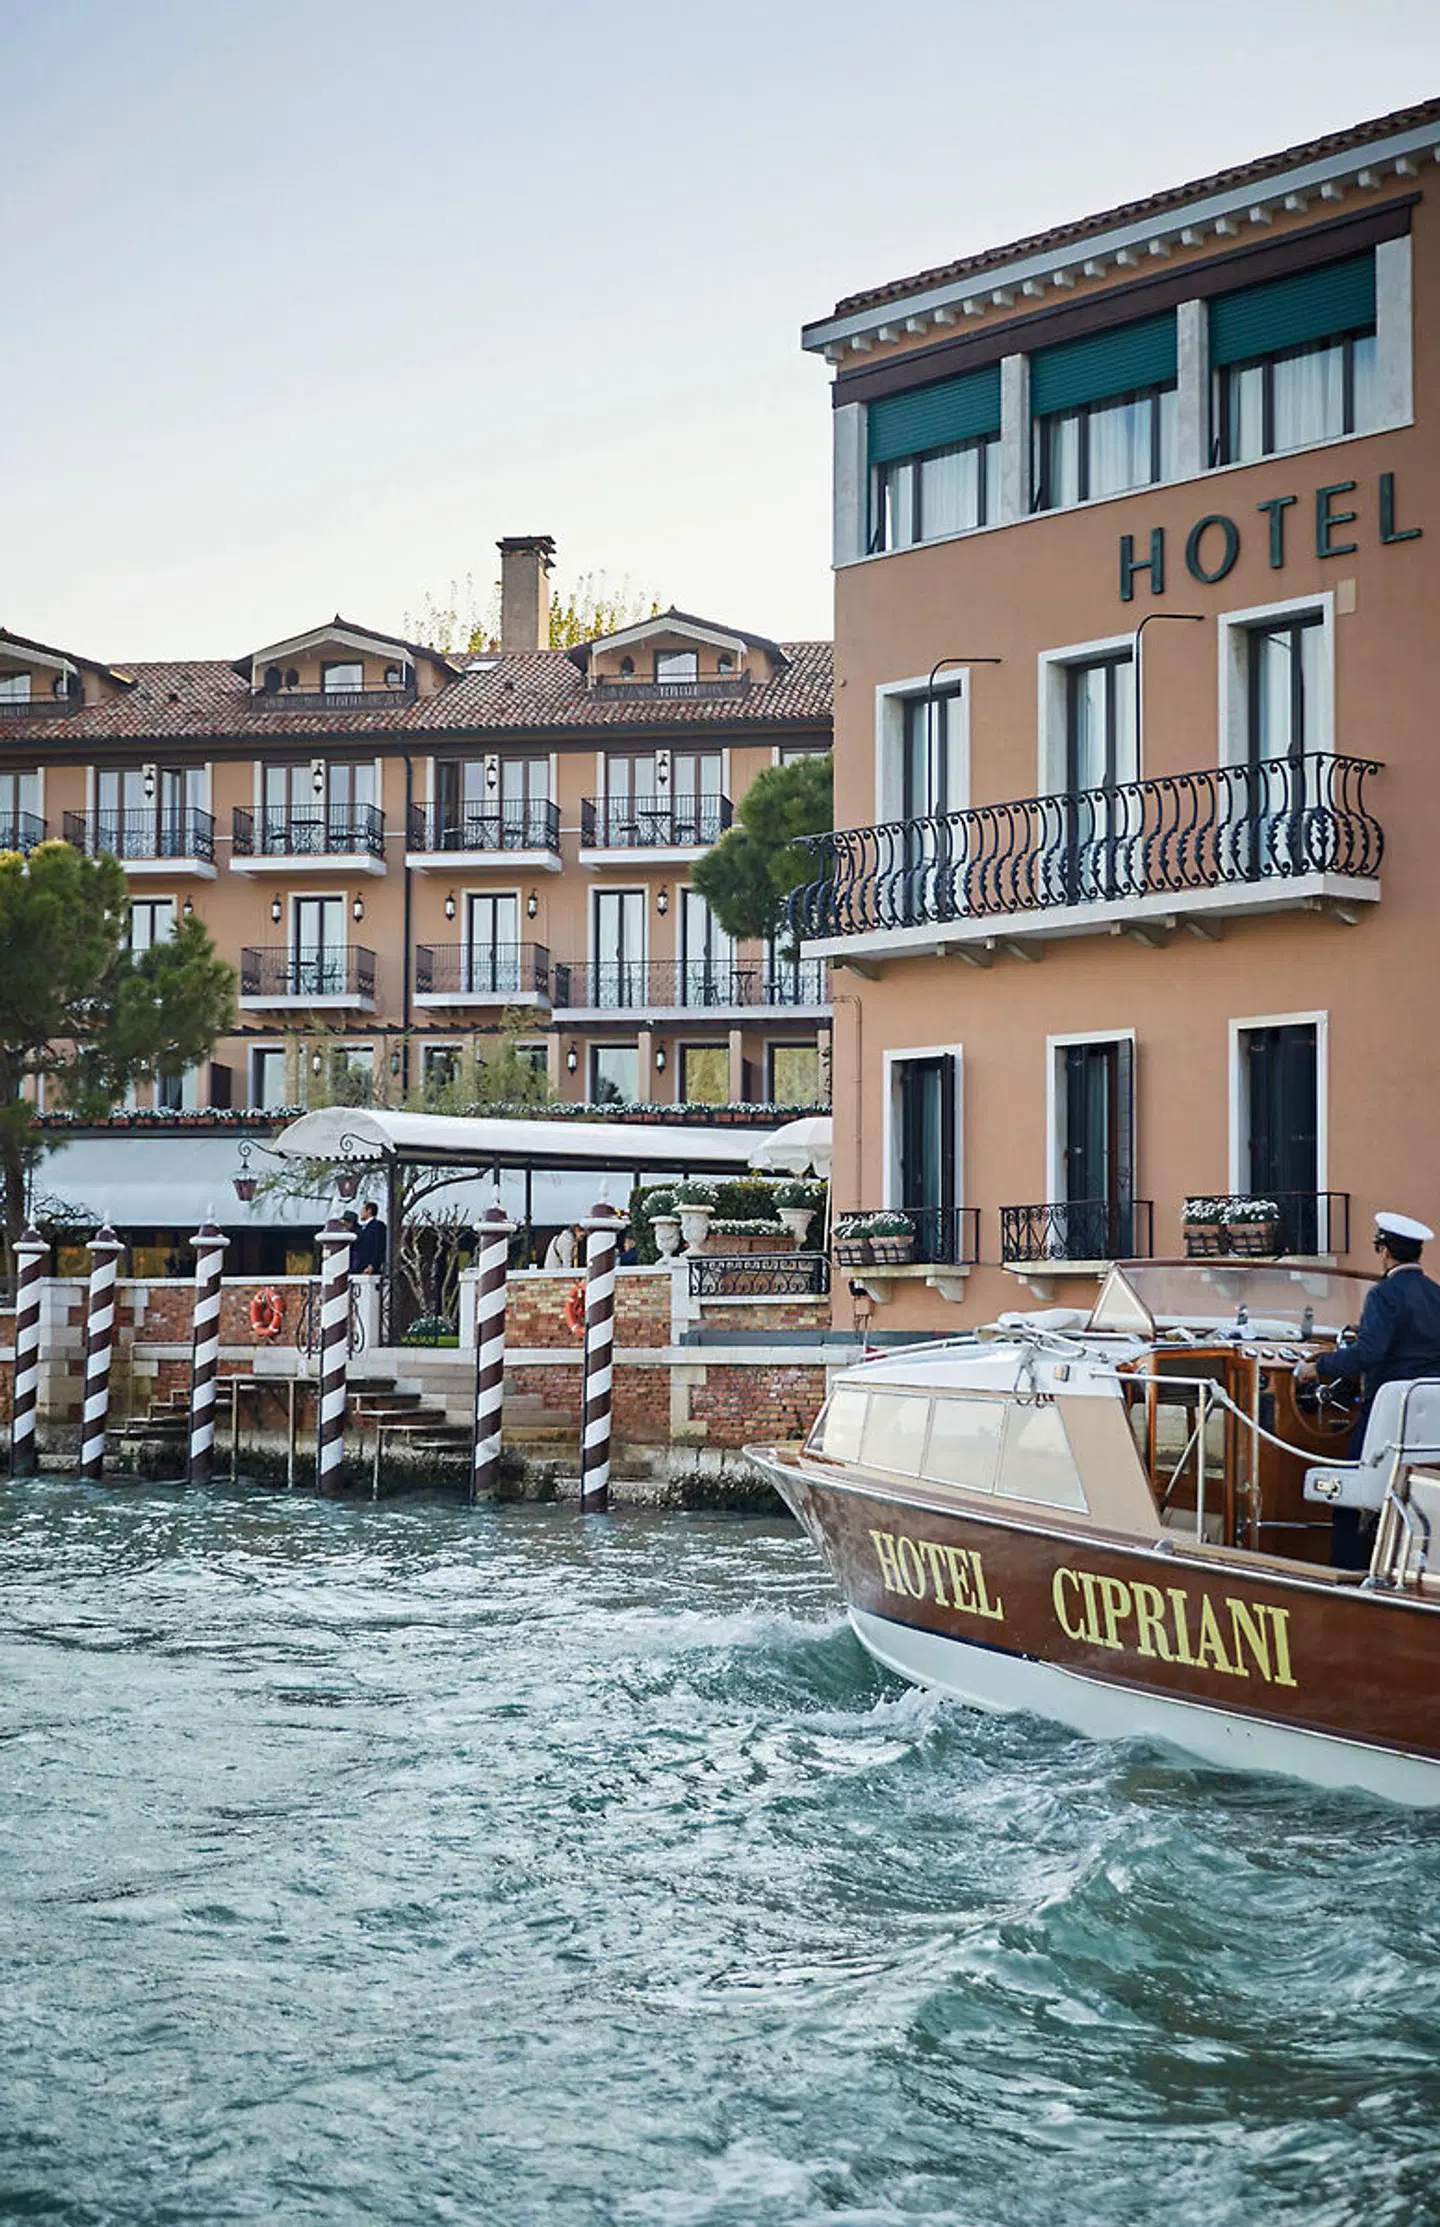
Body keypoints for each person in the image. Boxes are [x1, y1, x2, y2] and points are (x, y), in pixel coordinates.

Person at [1295, 1210, 1440, 1568]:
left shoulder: (1384, 1295)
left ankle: (1345, 1570)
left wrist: (1318, 1367)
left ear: (1385, 1251)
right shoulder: (1436, 1295)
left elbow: (1367, 1353)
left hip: (1388, 1416)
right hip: (1428, 1421)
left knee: (1348, 1489)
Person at [351, 1199, 387, 1276]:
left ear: (369, 1211)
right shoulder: (361, 1229)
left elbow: (379, 1247)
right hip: (358, 1267)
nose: (360, 1213)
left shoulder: (377, 1226)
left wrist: (373, 1265)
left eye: (363, 1210)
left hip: (369, 1267)